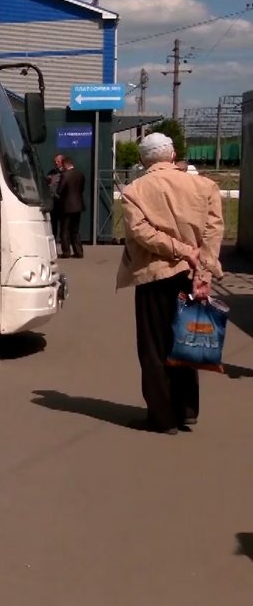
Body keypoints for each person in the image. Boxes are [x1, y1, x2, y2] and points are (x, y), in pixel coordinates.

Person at [116, 132, 225, 435]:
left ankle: (161, 418)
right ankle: (187, 410)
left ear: (142, 159)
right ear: (173, 154)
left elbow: (141, 233)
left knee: (154, 347)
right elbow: (214, 233)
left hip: (154, 275)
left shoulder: (135, 190)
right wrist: (201, 269)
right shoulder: (205, 186)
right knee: (187, 341)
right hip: (192, 276)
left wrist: (180, 251)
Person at [55, 156, 86, 258]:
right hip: (78, 205)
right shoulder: (80, 174)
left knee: (65, 230)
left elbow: (60, 190)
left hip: (67, 206)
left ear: (65, 165)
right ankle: (79, 251)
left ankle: (66, 252)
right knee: (75, 230)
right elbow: (81, 188)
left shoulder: (65, 175)